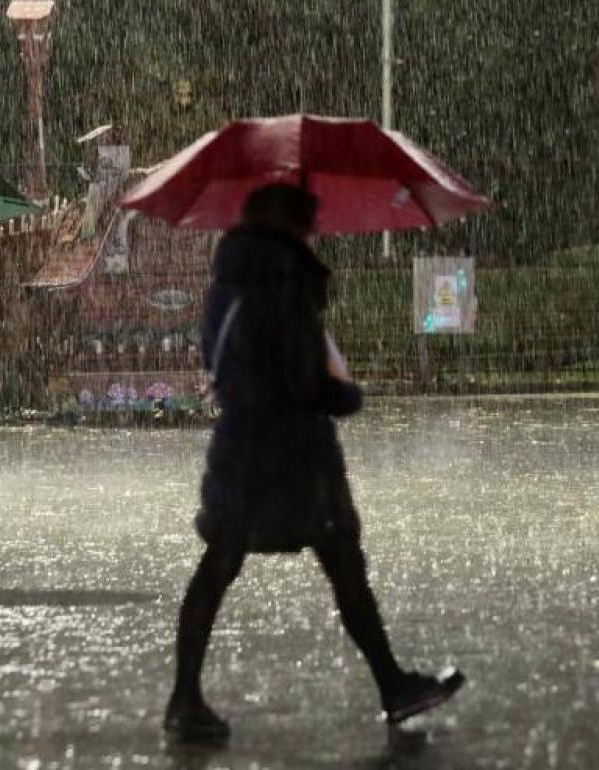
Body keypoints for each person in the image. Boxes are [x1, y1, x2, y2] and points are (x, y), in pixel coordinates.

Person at [164, 184, 465, 741]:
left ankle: (185, 696)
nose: (315, 233)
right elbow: (305, 381)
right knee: (342, 563)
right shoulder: (284, 283)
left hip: (239, 445)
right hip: (293, 452)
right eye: (309, 224)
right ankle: (392, 684)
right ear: (293, 226)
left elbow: (226, 363)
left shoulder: (226, 287)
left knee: (220, 563)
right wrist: (346, 397)